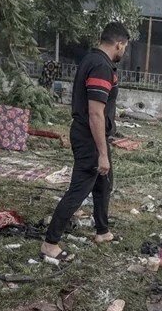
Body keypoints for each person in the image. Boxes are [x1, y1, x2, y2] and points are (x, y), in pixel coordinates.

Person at [41, 22, 130, 262]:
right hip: (90, 136)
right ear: (119, 43)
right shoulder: (101, 66)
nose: (124, 52)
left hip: (91, 134)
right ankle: (50, 243)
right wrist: (102, 152)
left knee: (104, 182)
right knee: (80, 189)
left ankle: (102, 231)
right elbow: (95, 113)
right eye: (125, 47)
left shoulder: (92, 59)